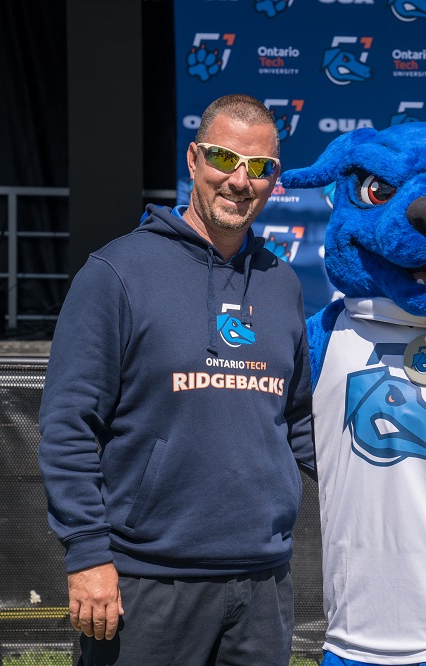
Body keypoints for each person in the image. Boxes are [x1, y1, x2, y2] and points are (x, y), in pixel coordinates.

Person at [38, 93, 314, 666]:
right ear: (192, 160)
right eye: (223, 159)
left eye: (259, 168)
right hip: (145, 582)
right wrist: (87, 555)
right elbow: (68, 426)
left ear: (274, 180)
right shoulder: (117, 273)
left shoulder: (280, 283)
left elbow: (302, 424)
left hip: (262, 584)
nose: (240, 181)